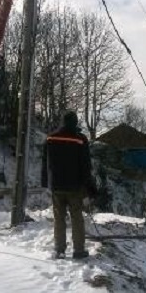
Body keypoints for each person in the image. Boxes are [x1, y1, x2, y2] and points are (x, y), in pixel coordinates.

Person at [40, 110, 98, 260]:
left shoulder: (50, 138)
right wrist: (90, 186)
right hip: (75, 187)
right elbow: (86, 166)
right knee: (76, 217)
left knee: (59, 218)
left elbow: (44, 162)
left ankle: (59, 250)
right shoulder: (80, 139)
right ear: (76, 122)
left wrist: (45, 182)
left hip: (56, 186)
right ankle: (78, 251)